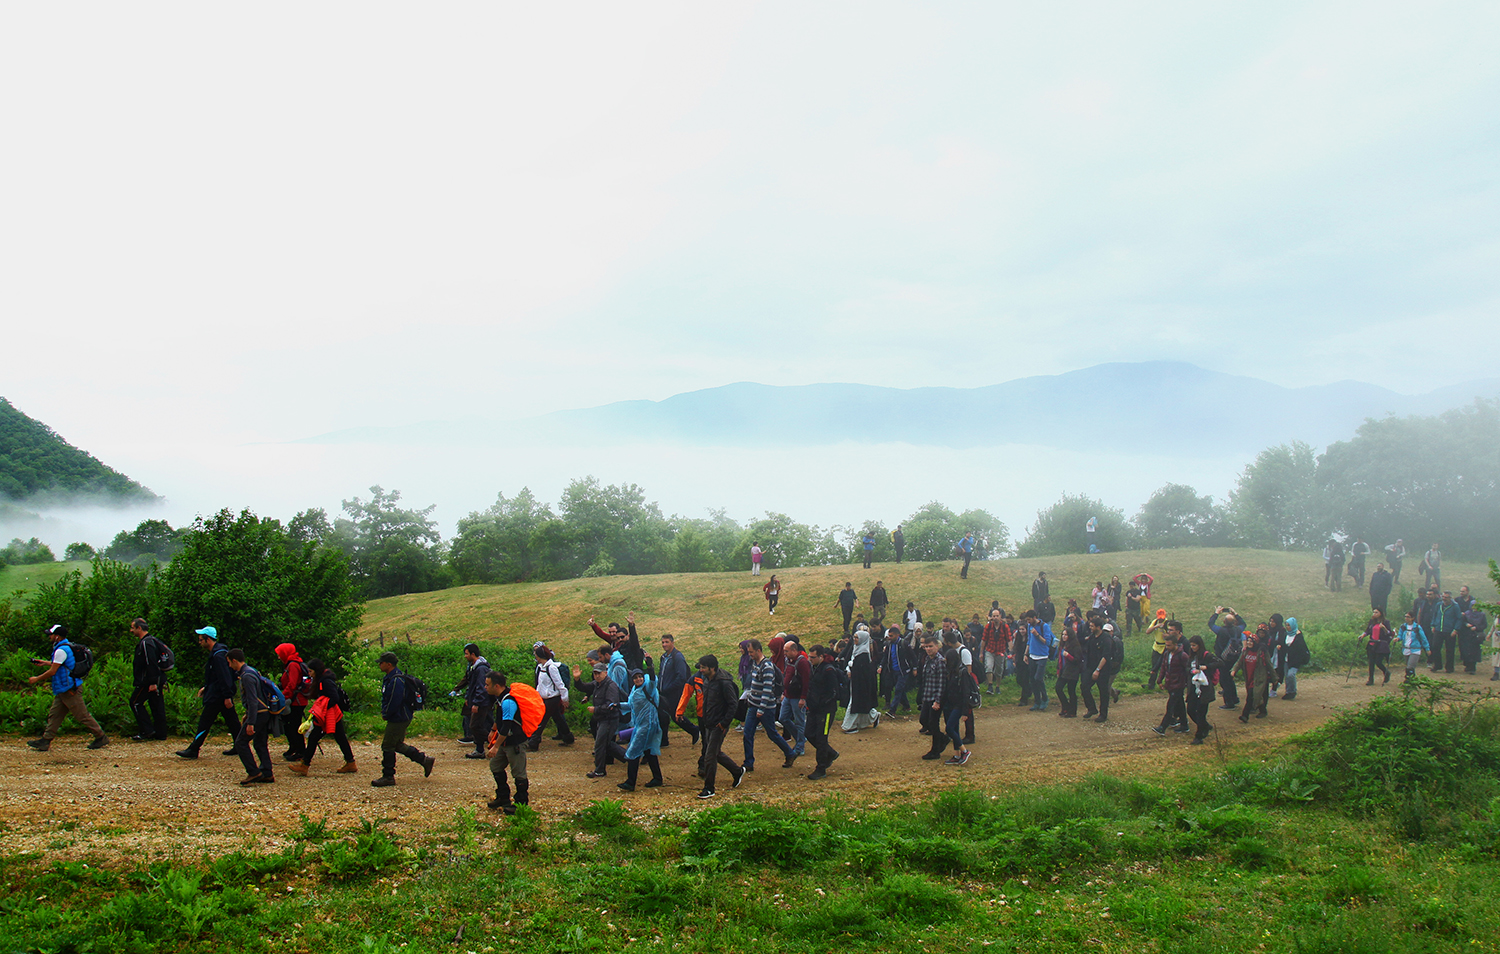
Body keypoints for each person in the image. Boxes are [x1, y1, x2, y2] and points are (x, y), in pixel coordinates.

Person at [25, 624, 108, 752]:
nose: (50, 637)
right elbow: (61, 665)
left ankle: (100, 736)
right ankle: (45, 741)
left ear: (57, 636)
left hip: (69, 689)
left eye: (51, 635)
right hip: (65, 688)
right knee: (55, 715)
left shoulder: (60, 650)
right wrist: (45, 662)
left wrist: (37, 678)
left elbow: (53, 671)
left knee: (82, 715)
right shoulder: (66, 647)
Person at [176, 626, 241, 759]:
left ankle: (194, 749)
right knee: (232, 720)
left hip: (218, 696)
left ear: (208, 639)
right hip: (219, 693)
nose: (199, 642)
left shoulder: (218, 656)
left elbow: (224, 676)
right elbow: (218, 677)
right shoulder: (219, 653)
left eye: (201, 639)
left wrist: (227, 695)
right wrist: (207, 688)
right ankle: (240, 746)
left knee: (205, 721)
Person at [372, 652, 435, 787]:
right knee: (397, 744)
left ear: (389, 664)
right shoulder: (392, 677)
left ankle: (388, 776)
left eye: (381, 662)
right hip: (400, 716)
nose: (379, 664)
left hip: (399, 717)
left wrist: (386, 713)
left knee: (388, 745)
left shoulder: (396, 680)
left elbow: (395, 701)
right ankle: (424, 760)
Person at [483, 669, 541, 812]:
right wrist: (493, 730)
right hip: (505, 742)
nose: (485, 687)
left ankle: (521, 803)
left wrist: (495, 746)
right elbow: (500, 719)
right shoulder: (500, 698)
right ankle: (503, 797)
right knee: (495, 766)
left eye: (487, 685)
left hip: (514, 743)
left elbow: (507, 726)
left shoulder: (508, 701)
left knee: (519, 773)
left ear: (496, 686)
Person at [288, 657, 357, 776]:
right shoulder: (323, 679)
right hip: (331, 713)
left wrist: (322, 708)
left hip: (328, 714)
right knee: (340, 737)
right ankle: (350, 762)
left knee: (314, 737)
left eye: (310, 671)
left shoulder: (326, 681)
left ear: (316, 670)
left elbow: (334, 698)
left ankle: (305, 765)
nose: (309, 674)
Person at [694, 654, 745, 798]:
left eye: (703, 667)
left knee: (709, 756)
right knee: (715, 753)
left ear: (712, 668)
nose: (701, 670)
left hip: (719, 725)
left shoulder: (724, 682)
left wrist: (724, 723)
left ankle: (709, 788)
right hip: (709, 722)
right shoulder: (707, 680)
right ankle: (737, 771)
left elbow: (733, 704)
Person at [225, 649, 277, 785]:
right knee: (260, 743)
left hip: (258, 714)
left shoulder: (246, 676)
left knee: (240, 742)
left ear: (235, 661)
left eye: (229, 662)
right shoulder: (252, 671)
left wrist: (250, 722)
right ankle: (267, 772)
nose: (230, 666)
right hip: (264, 712)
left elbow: (252, 700)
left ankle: (254, 772)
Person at [618, 669, 664, 792]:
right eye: (635, 678)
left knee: (633, 752)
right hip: (641, 725)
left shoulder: (648, 688)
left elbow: (653, 681)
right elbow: (630, 705)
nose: (638, 679)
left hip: (648, 725)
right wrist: (617, 705)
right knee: (649, 751)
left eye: (640, 677)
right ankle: (657, 778)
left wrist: (650, 665)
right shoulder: (634, 691)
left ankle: (630, 782)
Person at [583, 662, 628, 779]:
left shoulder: (610, 685)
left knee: (599, 744)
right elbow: (584, 687)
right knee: (606, 744)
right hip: (603, 719)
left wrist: (596, 709)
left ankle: (599, 770)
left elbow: (611, 705)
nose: (597, 676)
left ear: (605, 673)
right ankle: (628, 757)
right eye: (595, 673)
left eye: (599, 673)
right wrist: (577, 680)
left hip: (609, 719)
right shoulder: (598, 684)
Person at [803, 645, 842, 780]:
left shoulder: (828, 670)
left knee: (821, 738)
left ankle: (821, 768)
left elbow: (834, 692)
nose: (810, 659)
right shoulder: (814, 669)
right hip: (814, 709)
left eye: (813, 657)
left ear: (821, 656)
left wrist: (822, 703)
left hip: (825, 711)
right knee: (808, 733)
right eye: (809, 656)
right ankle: (830, 753)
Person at [128, 618, 168, 741]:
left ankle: (147, 730)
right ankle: (160, 733)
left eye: (133, 628)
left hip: (147, 681)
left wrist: (152, 682)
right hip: (156, 679)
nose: (131, 630)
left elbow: (150, 663)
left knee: (135, 702)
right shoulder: (153, 641)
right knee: (156, 705)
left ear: (139, 628)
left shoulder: (146, 643)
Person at [528, 644, 575, 750]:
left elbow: (560, 684)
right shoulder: (540, 667)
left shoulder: (551, 667)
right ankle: (568, 737)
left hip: (552, 698)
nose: (535, 657)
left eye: (536, 655)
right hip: (545, 698)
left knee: (542, 719)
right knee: (557, 717)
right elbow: (540, 684)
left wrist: (564, 699)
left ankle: (533, 742)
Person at [274, 642, 310, 763]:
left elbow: (292, 684)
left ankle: (300, 751)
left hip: (296, 700)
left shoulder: (293, 665)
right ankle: (294, 747)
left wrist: (282, 697)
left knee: (294, 726)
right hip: (296, 699)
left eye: (280, 654)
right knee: (289, 725)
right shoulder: (293, 663)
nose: (278, 657)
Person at [1151, 629, 1190, 736]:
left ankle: (1162, 727)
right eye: (1166, 645)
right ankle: (1184, 725)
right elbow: (1164, 667)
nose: (1167, 647)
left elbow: (1188, 670)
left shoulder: (1183, 656)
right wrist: (1159, 680)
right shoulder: (1167, 654)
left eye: (1169, 645)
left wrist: (1187, 683)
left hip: (1178, 684)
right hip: (1170, 683)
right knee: (1180, 704)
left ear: (1175, 644)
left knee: (1171, 706)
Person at [842, 627, 881, 733]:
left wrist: (851, 669)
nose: (854, 640)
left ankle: (849, 726)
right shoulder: (856, 649)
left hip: (860, 684)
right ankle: (874, 715)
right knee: (861, 703)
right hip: (855, 682)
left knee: (855, 703)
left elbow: (860, 670)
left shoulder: (863, 655)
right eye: (854, 637)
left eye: (856, 638)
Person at [779, 637, 811, 757]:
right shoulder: (789, 661)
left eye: (786, 651)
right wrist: (784, 692)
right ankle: (800, 737)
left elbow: (806, 681)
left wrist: (803, 697)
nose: (785, 653)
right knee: (783, 718)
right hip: (788, 695)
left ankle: (799, 747)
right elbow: (787, 676)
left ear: (794, 650)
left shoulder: (802, 662)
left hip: (797, 697)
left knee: (799, 721)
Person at [655, 635, 688, 748]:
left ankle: (694, 730)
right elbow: (662, 674)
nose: (664, 645)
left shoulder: (677, 657)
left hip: (673, 692)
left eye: (666, 642)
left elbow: (681, 676)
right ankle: (664, 740)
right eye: (663, 642)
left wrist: (669, 688)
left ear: (672, 642)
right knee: (662, 716)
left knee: (676, 715)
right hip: (663, 692)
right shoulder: (663, 657)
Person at [1184, 635, 1219, 744]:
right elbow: (1187, 668)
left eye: (1194, 645)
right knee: (1190, 710)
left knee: (1201, 712)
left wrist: (1206, 667)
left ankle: (1199, 736)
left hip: (1204, 688)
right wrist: (1191, 671)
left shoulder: (1207, 656)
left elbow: (1219, 663)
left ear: (1199, 645)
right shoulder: (1191, 656)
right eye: (1191, 645)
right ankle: (1204, 725)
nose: (1192, 647)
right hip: (1193, 687)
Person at [462, 643, 493, 760]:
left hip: (482, 703)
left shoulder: (480, 669)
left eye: (466, 654)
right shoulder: (474, 667)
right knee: (482, 724)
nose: (465, 656)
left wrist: (476, 703)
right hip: (479, 701)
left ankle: (494, 743)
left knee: (475, 726)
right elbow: (471, 685)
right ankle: (480, 749)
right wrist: (467, 698)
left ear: (472, 654)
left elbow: (481, 687)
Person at [1209, 608, 1244, 710]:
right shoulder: (1238, 629)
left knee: (1224, 680)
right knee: (1230, 679)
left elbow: (1211, 624)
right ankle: (1234, 698)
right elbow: (1243, 624)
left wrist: (1216, 613)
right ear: (1234, 622)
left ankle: (1229, 702)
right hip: (1234, 658)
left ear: (1224, 622)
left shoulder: (1221, 631)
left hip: (1223, 658)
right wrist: (1236, 614)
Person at [1233, 633, 1270, 722]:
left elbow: (1269, 664)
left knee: (1250, 696)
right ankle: (1263, 710)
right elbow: (1239, 662)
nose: (1248, 643)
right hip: (1248, 677)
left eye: (1251, 641)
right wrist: (1234, 670)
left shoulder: (1261, 652)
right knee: (1256, 696)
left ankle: (1245, 715)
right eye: (1248, 641)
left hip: (1258, 678)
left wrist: (1275, 678)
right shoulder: (1246, 651)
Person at [1024, 611, 1053, 712]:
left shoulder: (1044, 626)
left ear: (1034, 617)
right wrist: (1026, 654)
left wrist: (1037, 635)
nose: (1028, 622)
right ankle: (1037, 701)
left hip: (1042, 656)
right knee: (1032, 679)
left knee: (1038, 678)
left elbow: (1047, 642)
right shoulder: (1029, 626)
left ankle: (1044, 698)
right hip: (1032, 655)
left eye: (1029, 619)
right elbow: (1029, 640)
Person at [1429, 590, 1462, 674]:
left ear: (1450, 598)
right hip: (1438, 629)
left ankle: (1449, 667)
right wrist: (1433, 625)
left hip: (1449, 631)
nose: (1444, 599)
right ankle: (1437, 665)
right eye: (1443, 597)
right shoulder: (1439, 605)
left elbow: (1459, 618)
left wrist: (1456, 629)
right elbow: (1435, 615)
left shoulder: (1455, 606)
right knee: (1435, 647)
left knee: (1450, 650)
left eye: (1446, 597)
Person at [1054, 626, 1081, 718]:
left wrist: (1068, 655)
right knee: (1058, 688)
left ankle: (1072, 711)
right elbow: (1060, 660)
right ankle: (1066, 706)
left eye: (1066, 635)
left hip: (1072, 671)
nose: (1064, 637)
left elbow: (1077, 660)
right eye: (1063, 635)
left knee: (1071, 691)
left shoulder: (1075, 646)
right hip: (1063, 670)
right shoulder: (1062, 646)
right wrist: (1058, 670)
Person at [981, 610, 1010, 694]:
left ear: (1000, 617)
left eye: (997, 616)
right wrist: (981, 653)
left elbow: (1009, 640)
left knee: (999, 670)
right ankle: (990, 686)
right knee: (989, 667)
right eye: (994, 616)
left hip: (1000, 651)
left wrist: (1011, 651)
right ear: (991, 617)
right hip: (990, 650)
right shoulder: (988, 626)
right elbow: (984, 640)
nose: (995, 618)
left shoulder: (1005, 627)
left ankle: (997, 686)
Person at [1363, 610, 1394, 686]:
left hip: (1381, 644)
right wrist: (1363, 635)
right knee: (1371, 662)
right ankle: (1371, 679)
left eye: (1376, 612)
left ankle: (1386, 672)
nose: (1374, 614)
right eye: (1373, 612)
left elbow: (1390, 633)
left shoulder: (1386, 622)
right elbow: (1367, 631)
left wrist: (1384, 628)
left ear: (1381, 613)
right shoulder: (1372, 622)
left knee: (1378, 662)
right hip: (1372, 643)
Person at [1396, 611, 1429, 681]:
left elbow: (1423, 638)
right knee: (1410, 668)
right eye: (1405, 617)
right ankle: (1414, 680)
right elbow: (1400, 635)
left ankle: (1407, 681)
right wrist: (1397, 638)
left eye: (1408, 617)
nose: (1406, 618)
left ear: (1413, 618)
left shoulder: (1417, 627)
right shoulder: (1403, 626)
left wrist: (1427, 648)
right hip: (1406, 649)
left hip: (1415, 649)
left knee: (1409, 667)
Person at [1281, 618, 1309, 700]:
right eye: (1286, 625)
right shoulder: (1286, 635)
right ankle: (1288, 692)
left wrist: (1299, 635)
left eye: (1289, 625)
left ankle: (1293, 691)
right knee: (1287, 676)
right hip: (1286, 659)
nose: (1287, 627)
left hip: (1295, 661)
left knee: (1291, 675)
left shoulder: (1298, 636)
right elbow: (1283, 645)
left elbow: (1302, 648)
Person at [1458, 602, 1489, 674]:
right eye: (1473, 606)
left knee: (1475, 652)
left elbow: (1484, 625)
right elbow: (1462, 622)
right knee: (1466, 651)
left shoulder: (1482, 614)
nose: (1474, 608)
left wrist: (1476, 628)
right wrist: (1466, 624)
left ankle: (1472, 668)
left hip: (1476, 636)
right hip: (1466, 636)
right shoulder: (1467, 613)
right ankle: (1467, 665)